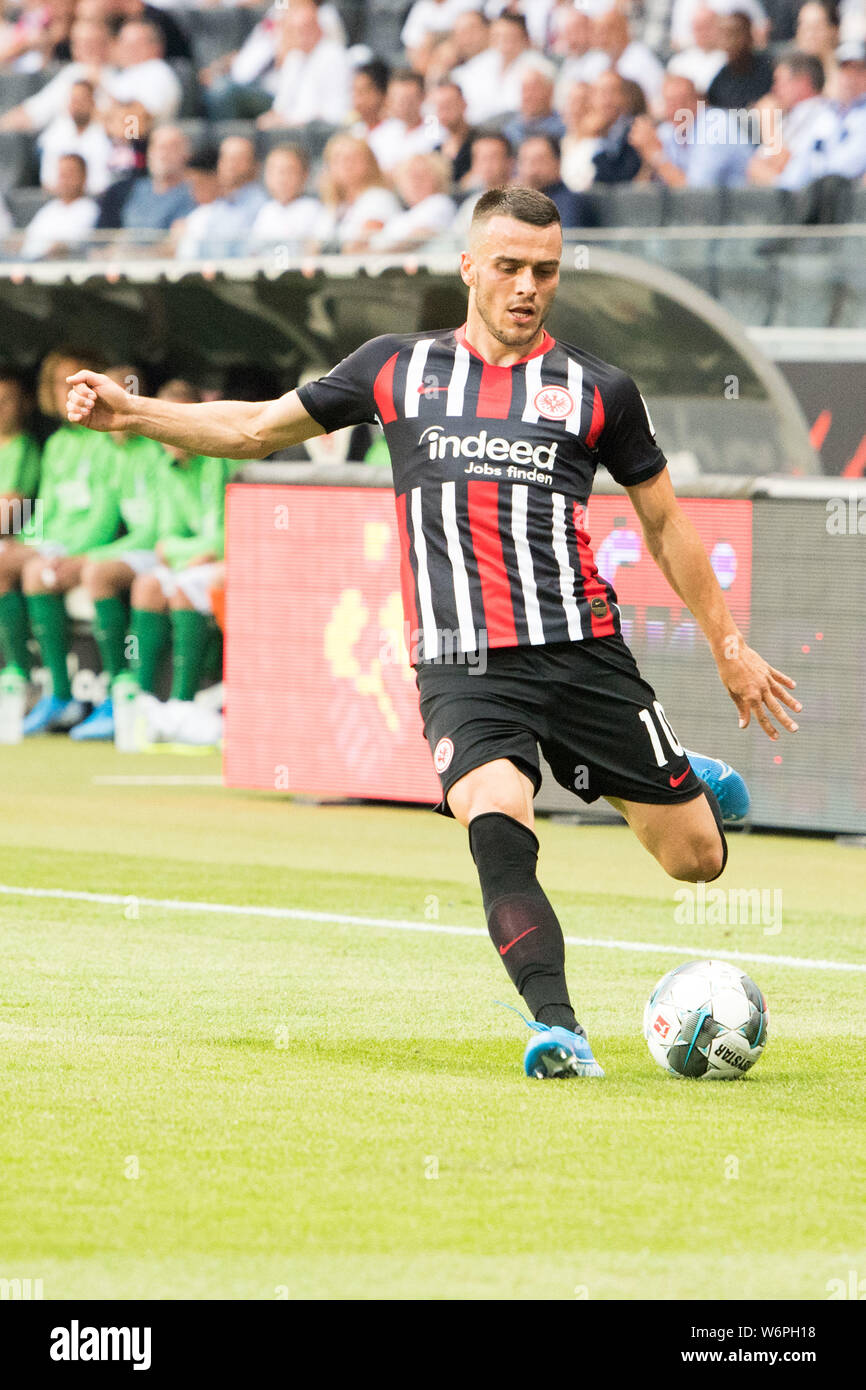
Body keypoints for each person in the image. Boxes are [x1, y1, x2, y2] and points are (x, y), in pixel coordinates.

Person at [66, 186, 802, 1080]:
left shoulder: (600, 390)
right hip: (460, 663)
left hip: (579, 652)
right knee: (494, 815)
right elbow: (257, 428)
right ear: (468, 267)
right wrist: (132, 413)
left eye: (546, 271)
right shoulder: (396, 369)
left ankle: (678, 778)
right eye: (509, 267)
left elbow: (665, 525)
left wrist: (730, 647)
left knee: (697, 863)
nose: (528, 287)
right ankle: (559, 1028)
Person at [0, 349, 119, 733]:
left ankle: (57, 688)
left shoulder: (107, 443)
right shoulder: (57, 445)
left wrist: (66, 552)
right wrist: (32, 543)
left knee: (31, 572)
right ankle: (41, 686)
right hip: (52, 545)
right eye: (57, 383)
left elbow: (105, 515)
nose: (64, 391)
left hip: (83, 549)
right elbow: (45, 511)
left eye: (75, 382)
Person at [257, 1, 350, 130]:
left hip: (320, 129)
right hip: (293, 127)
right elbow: (280, 107)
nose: (302, 36)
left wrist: (287, 121)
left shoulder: (333, 55)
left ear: (319, 28)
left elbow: (329, 113)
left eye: (306, 29)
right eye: (296, 31)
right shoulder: (294, 58)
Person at [173, 136, 267, 259]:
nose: (231, 165)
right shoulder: (216, 205)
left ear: (255, 166)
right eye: (226, 158)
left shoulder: (262, 205)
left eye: (239, 159)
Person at [747, 52, 830, 188]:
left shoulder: (821, 114)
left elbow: (782, 162)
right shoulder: (794, 114)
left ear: (802, 82)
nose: (775, 89)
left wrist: (767, 120)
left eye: (779, 81)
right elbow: (755, 165)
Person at [312, 134, 401, 253]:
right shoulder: (334, 204)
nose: (345, 164)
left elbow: (360, 246)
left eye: (353, 158)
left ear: (369, 163)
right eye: (337, 159)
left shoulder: (379, 198)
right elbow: (312, 247)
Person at [36, 78, 113, 195]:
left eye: (82, 100)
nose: (77, 105)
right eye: (74, 100)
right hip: (61, 199)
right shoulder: (56, 133)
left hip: (96, 200)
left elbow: (102, 184)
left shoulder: (106, 134)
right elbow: (48, 181)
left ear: (93, 102)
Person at [369, 153, 456, 252]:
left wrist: (379, 255)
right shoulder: (401, 217)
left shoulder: (440, 203)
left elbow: (418, 238)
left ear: (438, 179)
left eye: (421, 176)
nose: (415, 182)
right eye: (409, 177)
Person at [21, 152, 99, 259]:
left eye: (70, 174)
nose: (65, 179)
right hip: (25, 265)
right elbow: (24, 239)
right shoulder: (50, 208)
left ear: (84, 176)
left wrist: (39, 259)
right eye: (62, 174)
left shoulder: (88, 209)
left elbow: (66, 246)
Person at [248, 144, 324, 253]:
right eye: (274, 171)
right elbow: (254, 252)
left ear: (305, 174)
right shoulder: (266, 210)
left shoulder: (314, 210)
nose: (281, 179)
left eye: (289, 171)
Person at [515, 132, 599, 226]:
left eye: (539, 160)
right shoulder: (514, 204)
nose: (531, 169)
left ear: (558, 162)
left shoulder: (571, 204)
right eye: (525, 160)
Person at [705, 11, 774, 110]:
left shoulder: (768, 70)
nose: (728, 41)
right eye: (723, 34)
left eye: (733, 34)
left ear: (749, 35)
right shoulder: (720, 78)